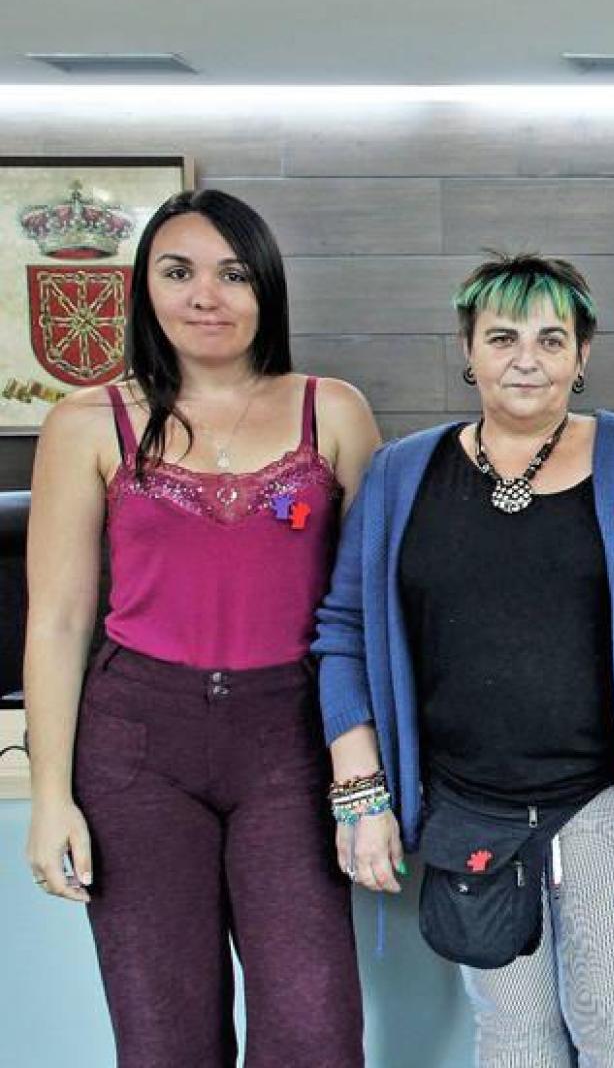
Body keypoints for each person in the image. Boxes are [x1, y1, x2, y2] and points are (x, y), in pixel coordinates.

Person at [312, 252, 614, 1064]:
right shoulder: (402, 475)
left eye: (551, 337)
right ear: (467, 350)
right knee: (512, 1031)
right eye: (502, 337)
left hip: (610, 795)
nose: (527, 358)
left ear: (583, 356)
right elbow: (342, 632)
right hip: (468, 806)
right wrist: (359, 793)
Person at [23, 189, 381, 1065]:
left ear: (267, 288)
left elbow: (368, 613)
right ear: (145, 287)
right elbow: (61, 620)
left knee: (314, 1028)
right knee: (163, 1035)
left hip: (289, 743)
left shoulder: (332, 411)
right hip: (137, 745)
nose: (205, 297)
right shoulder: (84, 421)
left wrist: (369, 779)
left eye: (232, 274)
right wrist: (49, 798)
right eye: (178, 273)